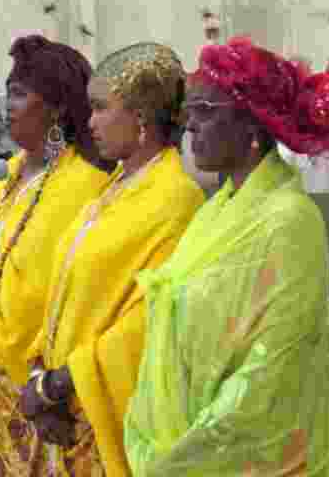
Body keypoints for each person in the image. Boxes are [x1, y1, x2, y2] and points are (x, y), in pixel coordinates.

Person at [124, 36, 329, 476]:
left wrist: (181, 458)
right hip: (181, 437)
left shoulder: (290, 220)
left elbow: (270, 368)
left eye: (206, 112)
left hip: (246, 457)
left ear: (253, 127)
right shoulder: (216, 210)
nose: (190, 127)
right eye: (189, 113)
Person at [14, 43, 204, 477]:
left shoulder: (175, 198)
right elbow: (65, 289)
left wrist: (63, 382)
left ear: (140, 116)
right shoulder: (114, 186)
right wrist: (41, 369)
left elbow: (151, 321)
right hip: (67, 407)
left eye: (101, 109)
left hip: (109, 411)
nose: (91, 122)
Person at [0, 36, 109, 476]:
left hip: (39, 387)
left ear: (59, 108)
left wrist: (2, 338)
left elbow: (63, 294)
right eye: (9, 92)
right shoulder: (9, 172)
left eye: (21, 94)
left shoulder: (84, 184)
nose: (9, 105)